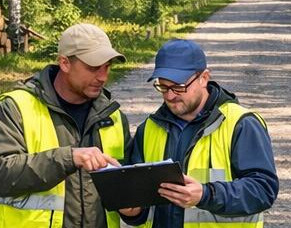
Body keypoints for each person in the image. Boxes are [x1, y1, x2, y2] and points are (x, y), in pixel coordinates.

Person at [0, 23, 132, 227]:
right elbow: (0, 174)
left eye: (107, 67)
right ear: (65, 63)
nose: (103, 77)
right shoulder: (15, 108)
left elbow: (129, 192)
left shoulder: (113, 117)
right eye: (94, 68)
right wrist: (69, 158)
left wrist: (135, 211)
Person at [118, 39, 279, 228]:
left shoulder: (241, 124)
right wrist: (133, 212)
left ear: (204, 78)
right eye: (163, 86)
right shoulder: (148, 129)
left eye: (178, 86)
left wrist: (206, 195)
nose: (170, 96)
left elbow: (263, 190)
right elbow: (143, 203)